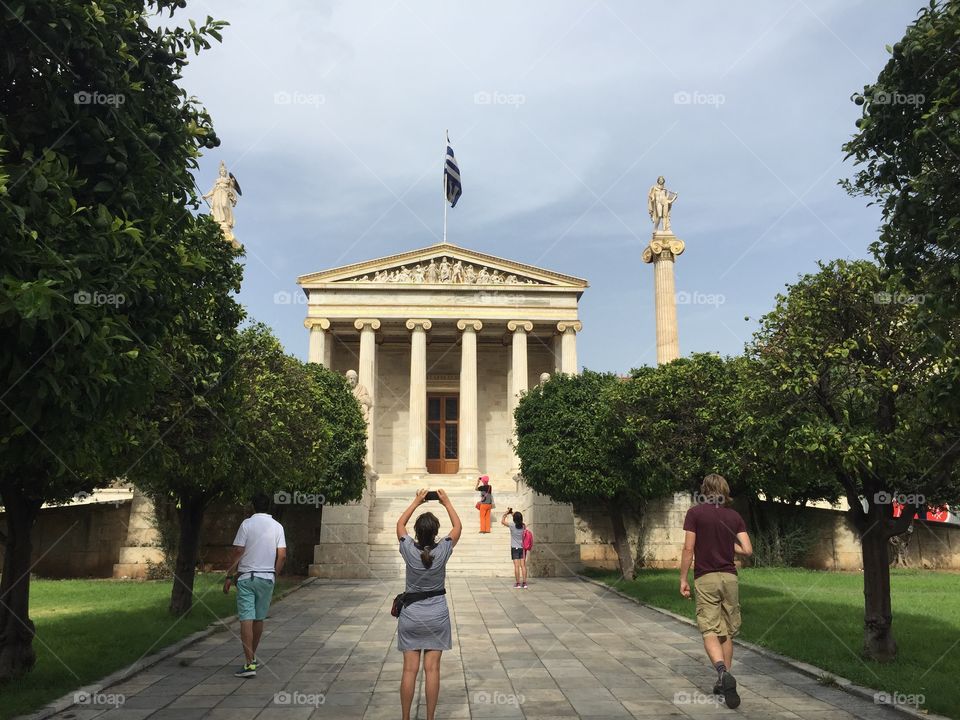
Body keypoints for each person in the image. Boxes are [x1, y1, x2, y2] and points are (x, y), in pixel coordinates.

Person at [679, 474, 753, 709]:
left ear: (705, 489)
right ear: (724, 490)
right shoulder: (734, 516)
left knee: (709, 628)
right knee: (727, 631)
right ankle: (724, 681)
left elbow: (689, 547)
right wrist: (726, 543)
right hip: (730, 578)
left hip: (706, 578)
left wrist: (683, 578)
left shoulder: (695, 513)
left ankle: (721, 672)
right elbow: (748, 550)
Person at [396, 488, 462, 720]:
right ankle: (430, 718)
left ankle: (405, 718)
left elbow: (399, 525)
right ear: (435, 533)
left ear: (417, 532)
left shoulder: (407, 548)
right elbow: (457, 528)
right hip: (437, 616)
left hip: (411, 616)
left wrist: (416, 501)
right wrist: (446, 501)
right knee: (432, 669)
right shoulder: (443, 548)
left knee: (409, 670)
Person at [223, 492, 287, 679]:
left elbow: (238, 551)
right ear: (270, 507)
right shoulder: (277, 526)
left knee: (246, 619)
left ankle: (249, 663)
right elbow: (282, 555)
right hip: (267, 578)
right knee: (259, 619)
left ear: (253, 506)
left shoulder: (246, 524)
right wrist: (275, 573)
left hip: (246, 578)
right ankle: (251, 658)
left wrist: (229, 575)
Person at [501, 508, 528, 588]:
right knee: (523, 566)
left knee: (516, 566)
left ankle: (518, 583)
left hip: (514, 548)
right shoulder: (523, 526)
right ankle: (524, 583)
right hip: (522, 548)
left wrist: (506, 513)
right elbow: (518, 520)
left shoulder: (512, 525)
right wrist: (512, 513)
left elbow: (502, 521)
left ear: (514, 519)